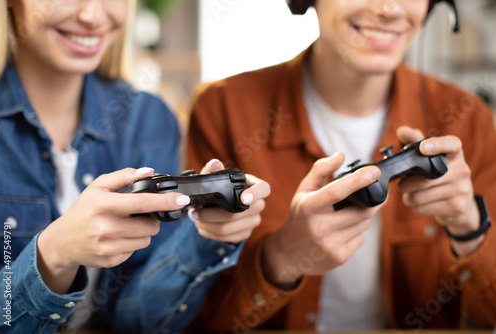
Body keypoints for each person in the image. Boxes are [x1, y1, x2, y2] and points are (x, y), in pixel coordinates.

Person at [186, 0, 496, 331]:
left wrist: (468, 226)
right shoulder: (223, 109)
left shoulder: (466, 118)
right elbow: (190, 318)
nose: (390, 9)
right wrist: (281, 258)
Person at [0, 1, 270, 333]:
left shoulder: (148, 119)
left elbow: (135, 321)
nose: (91, 16)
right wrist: (53, 255)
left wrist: (204, 239)